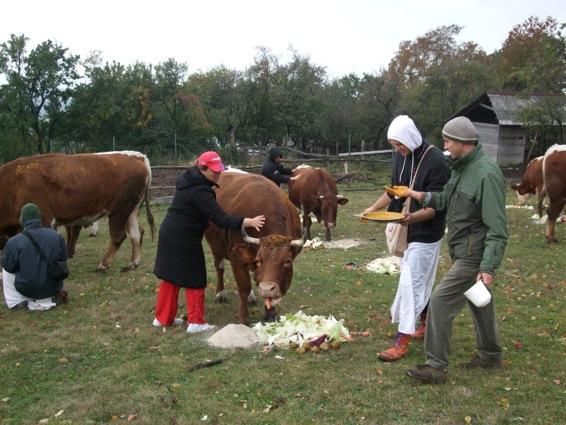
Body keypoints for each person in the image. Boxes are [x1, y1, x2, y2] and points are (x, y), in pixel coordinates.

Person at [395, 116, 508, 384]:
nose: (443, 144)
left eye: (447, 140)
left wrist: (487, 267)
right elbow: (444, 198)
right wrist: (416, 195)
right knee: (479, 302)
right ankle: (491, 354)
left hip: (474, 256)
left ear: (461, 142)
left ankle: (435, 366)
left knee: (440, 302)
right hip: (463, 251)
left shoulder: (486, 174)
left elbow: (497, 228)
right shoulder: (461, 168)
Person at [362, 115, 450, 362]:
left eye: (399, 144)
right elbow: (393, 191)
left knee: (411, 283)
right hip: (407, 229)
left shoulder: (436, 162)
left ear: (410, 138)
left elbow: (436, 206)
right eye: (393, 145)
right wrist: (372, 209)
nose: (397, 150)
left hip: (426, 232)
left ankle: (402, 341)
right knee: (418, 279)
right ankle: (424, 321)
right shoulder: (401, 157)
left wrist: (410, 219)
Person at [153, 151, 265, 333]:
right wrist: (246, 221)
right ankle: (196, 322)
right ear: (202, 168)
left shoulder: (190, 182)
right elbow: (219, 218)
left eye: (219, 169)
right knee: (195, 277)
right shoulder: (200, 191)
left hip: (170, 233)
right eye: (214, 170)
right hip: (185, 238)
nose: (218, 173)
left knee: (170, 276)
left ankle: (163, 318)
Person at [1, 203, 68, 310]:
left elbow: (8, 267)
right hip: (53, 288)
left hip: (26, 289)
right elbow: (64, 259)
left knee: (5, 264)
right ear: (40, 218)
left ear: (22, 220)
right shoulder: (57, 236)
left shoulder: (14, 242)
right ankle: (51, 298)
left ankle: (16, 302)